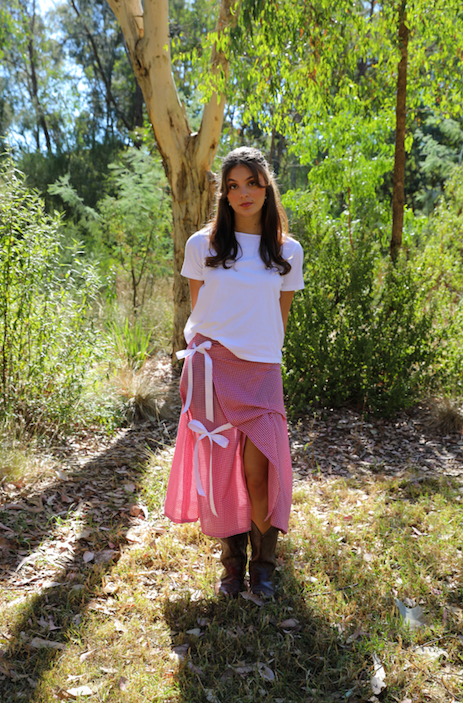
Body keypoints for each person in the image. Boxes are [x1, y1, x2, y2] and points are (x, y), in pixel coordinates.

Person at [164, 146, 304, 597]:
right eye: (232, 186)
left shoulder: (288, 251)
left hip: (261, 369)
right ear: (223, 194)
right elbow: (199, 311)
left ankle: (265, 565)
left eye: (251, 183)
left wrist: (260, 355)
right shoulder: (202, 245)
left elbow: (278, 320)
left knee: (260, 470)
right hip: (211, 365)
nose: (242, 193)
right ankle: (232, 566)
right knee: (222, 468)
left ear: (267, 188)